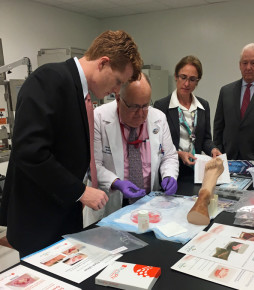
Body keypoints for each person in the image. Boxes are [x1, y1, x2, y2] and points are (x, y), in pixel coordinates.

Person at [0, 30, 143, 257]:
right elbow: (30, 152)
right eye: (118, 81)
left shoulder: (80, 91)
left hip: (64, 213)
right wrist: (80, 191)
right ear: (103, 63)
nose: (116, 90)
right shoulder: (49, 79)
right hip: (40, 219)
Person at [83, 73, 179, 226]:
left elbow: (169, 156)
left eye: (145, 106)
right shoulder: (98, 118)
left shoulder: (158, 118)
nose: (140, 114)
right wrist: (116, 183)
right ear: (118, 98)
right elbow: (93, 166)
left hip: (148, 205)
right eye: (134, 107)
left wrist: (169, 175)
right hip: (113, 205)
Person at [154, 55, 221, 178]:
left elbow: (205, 138)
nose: (186, 83)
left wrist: (212, 149)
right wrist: (179, 153)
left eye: (192, 79)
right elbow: (157, 145)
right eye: (183, 77)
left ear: (197, 81)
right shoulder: (162, 106)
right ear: (176, 76)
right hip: (170, 170)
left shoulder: (203, 106)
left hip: (196, 169)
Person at [213, 43, 254, 160]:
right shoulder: (226, 91)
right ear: (239, 65)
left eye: (253, 63)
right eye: (245, 63)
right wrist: (219, 152)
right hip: (229, 158)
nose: (248, 67)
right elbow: (218, 127)